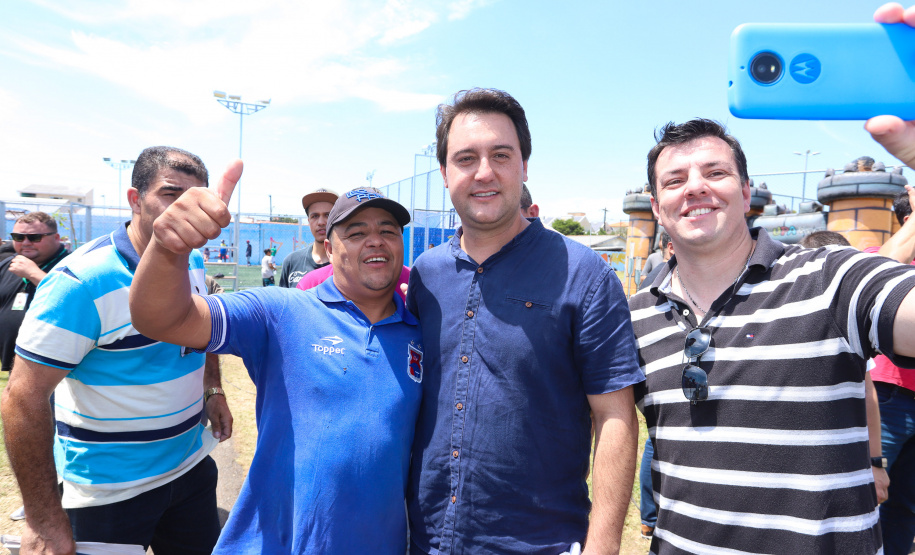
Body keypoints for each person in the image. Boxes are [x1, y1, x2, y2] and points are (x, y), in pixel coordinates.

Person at [628, 70, 915, 553]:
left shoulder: (832, 277)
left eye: (715, 173)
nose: (695, 187)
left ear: (746, 193)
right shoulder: (636, 315)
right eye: (675, 180)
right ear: (657, 208)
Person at [407, 88, 643, 554]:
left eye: (501, 154)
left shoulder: (585, 275)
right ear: (444, 172)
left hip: (541, 542)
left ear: (525, 166)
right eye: (466, 158)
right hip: (427, 539)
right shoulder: (425, 276)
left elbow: (615, 416)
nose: (484, 172)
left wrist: (603, 546)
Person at [129, 179, 422, 554]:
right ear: (329, 249)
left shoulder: (422, 332)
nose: (376, 240)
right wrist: (168, 249)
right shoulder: (282, 312)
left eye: (388, 231)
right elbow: (160, 319)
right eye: (357, 231)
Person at [2, 146, 232, 554]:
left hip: (189, 467)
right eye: (171, 194)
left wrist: (212, 389)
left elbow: (203, 325)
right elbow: (23, 398)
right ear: (134, 199)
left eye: (197, 198)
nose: (186, 209)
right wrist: (42, 519)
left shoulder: (193, 261)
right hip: (107, 492)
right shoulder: (80, 281)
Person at [860, 185, 915, 554]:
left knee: (905, 506)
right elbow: (877, 278)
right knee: (862, 497)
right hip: (888, 398)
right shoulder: (878, 257)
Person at [1, 212, 68, 374]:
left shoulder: (71, 265)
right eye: (18, 237)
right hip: (15, 362)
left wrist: (34, 274)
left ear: (56, 237)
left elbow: (72, 300)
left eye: (35, 237)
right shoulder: (8, 264)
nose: (25, 243)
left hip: (56, 365)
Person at [278, 187, 337, 287]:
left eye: (327, 215)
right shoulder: (292, 262)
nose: (321, 222)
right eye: (315, 216)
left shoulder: (347, 264)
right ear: (308, 221)